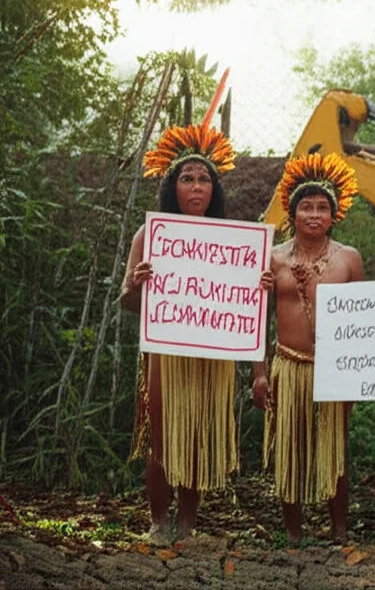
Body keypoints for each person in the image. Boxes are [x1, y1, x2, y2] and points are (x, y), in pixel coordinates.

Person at [121, 123, 239, 544]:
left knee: (197, 435)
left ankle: (187, 523)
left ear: (214, 189)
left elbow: (240, 302)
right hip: (165, 351)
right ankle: (158, 522)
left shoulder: (232, 242)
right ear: (172, 187)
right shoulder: (151, 235)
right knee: (161, 435)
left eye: (204, 179)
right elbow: (128, 301)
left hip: (210, 351)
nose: (196, 186)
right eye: (187, 178)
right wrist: (137, 284)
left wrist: (256, 286)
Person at [252, 152, 363, 545]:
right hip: (288, 364)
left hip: (334, 368)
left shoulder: (348, 259)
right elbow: (256, 321)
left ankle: (339, 529)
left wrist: (355, 375)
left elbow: (361, 321)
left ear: (333, 215)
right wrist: (260, 374)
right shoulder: (273, 258)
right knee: (290, 447)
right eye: (306, 207)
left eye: (322, 208)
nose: (314, 214)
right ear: (292, 213)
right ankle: (293, 532)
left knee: (334, 446)